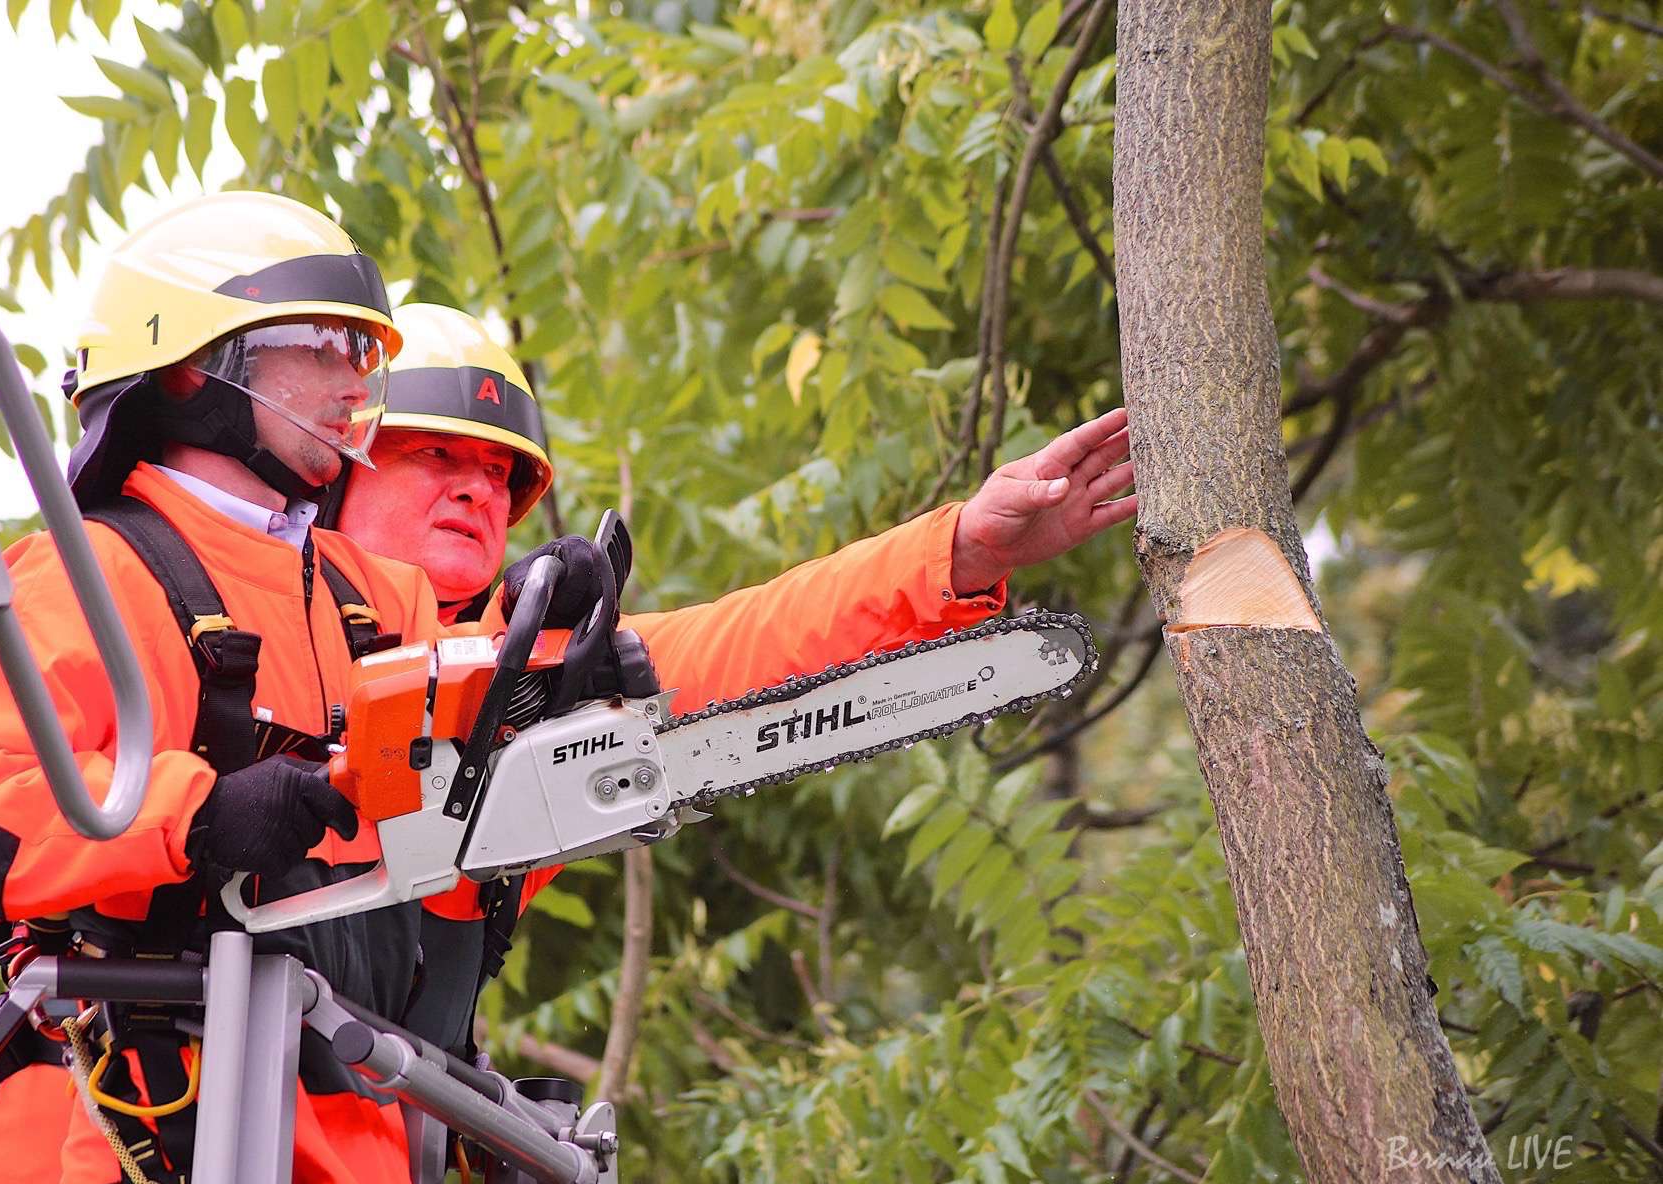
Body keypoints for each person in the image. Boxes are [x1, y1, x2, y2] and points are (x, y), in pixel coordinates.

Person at [0, 191, 446, 1184]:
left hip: (344, 1167)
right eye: (327, 345)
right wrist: (200, 814)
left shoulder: (379, 602)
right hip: (114, 1155)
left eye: (364, 351)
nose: (356, 379)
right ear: (191, 369)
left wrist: (558, 650)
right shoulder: (89, 575)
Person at [328, 303, 1138, 1052]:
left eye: (502, 472)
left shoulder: (531, 685)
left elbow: (755, 639)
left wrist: (960, 551)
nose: (478, 488)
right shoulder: (241, 628)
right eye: (434, 452)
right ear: (336, 466)